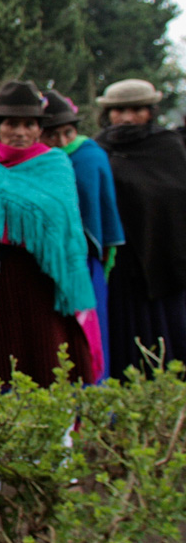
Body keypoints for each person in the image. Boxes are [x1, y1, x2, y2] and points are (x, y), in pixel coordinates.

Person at [0, 81, 96, 387]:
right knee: (4, 360)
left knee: (48, 355)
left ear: (39, 129)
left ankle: (57, 430)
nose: (20, 132)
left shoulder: (56, 164)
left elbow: (66, 226)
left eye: (28, 124)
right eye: (11, 123)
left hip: (45, 280)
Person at [94, 78, 186, 376]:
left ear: (151, 111)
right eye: (118, 110)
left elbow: (174, 194)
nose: (127, 118)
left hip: (162, 258)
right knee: (121, 330)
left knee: (168, 330)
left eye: (136, 110)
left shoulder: (167, 147)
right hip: (118, 262)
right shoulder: (98, 149)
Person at [41, 89, 124, 381]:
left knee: (89, 340)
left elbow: (104, 210)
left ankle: (92, 411)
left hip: (85, 265)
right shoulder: (33, 164)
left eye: (68, 132)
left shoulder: (90, 156)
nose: (62, 142)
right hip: (42, 268)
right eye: (52, 134)